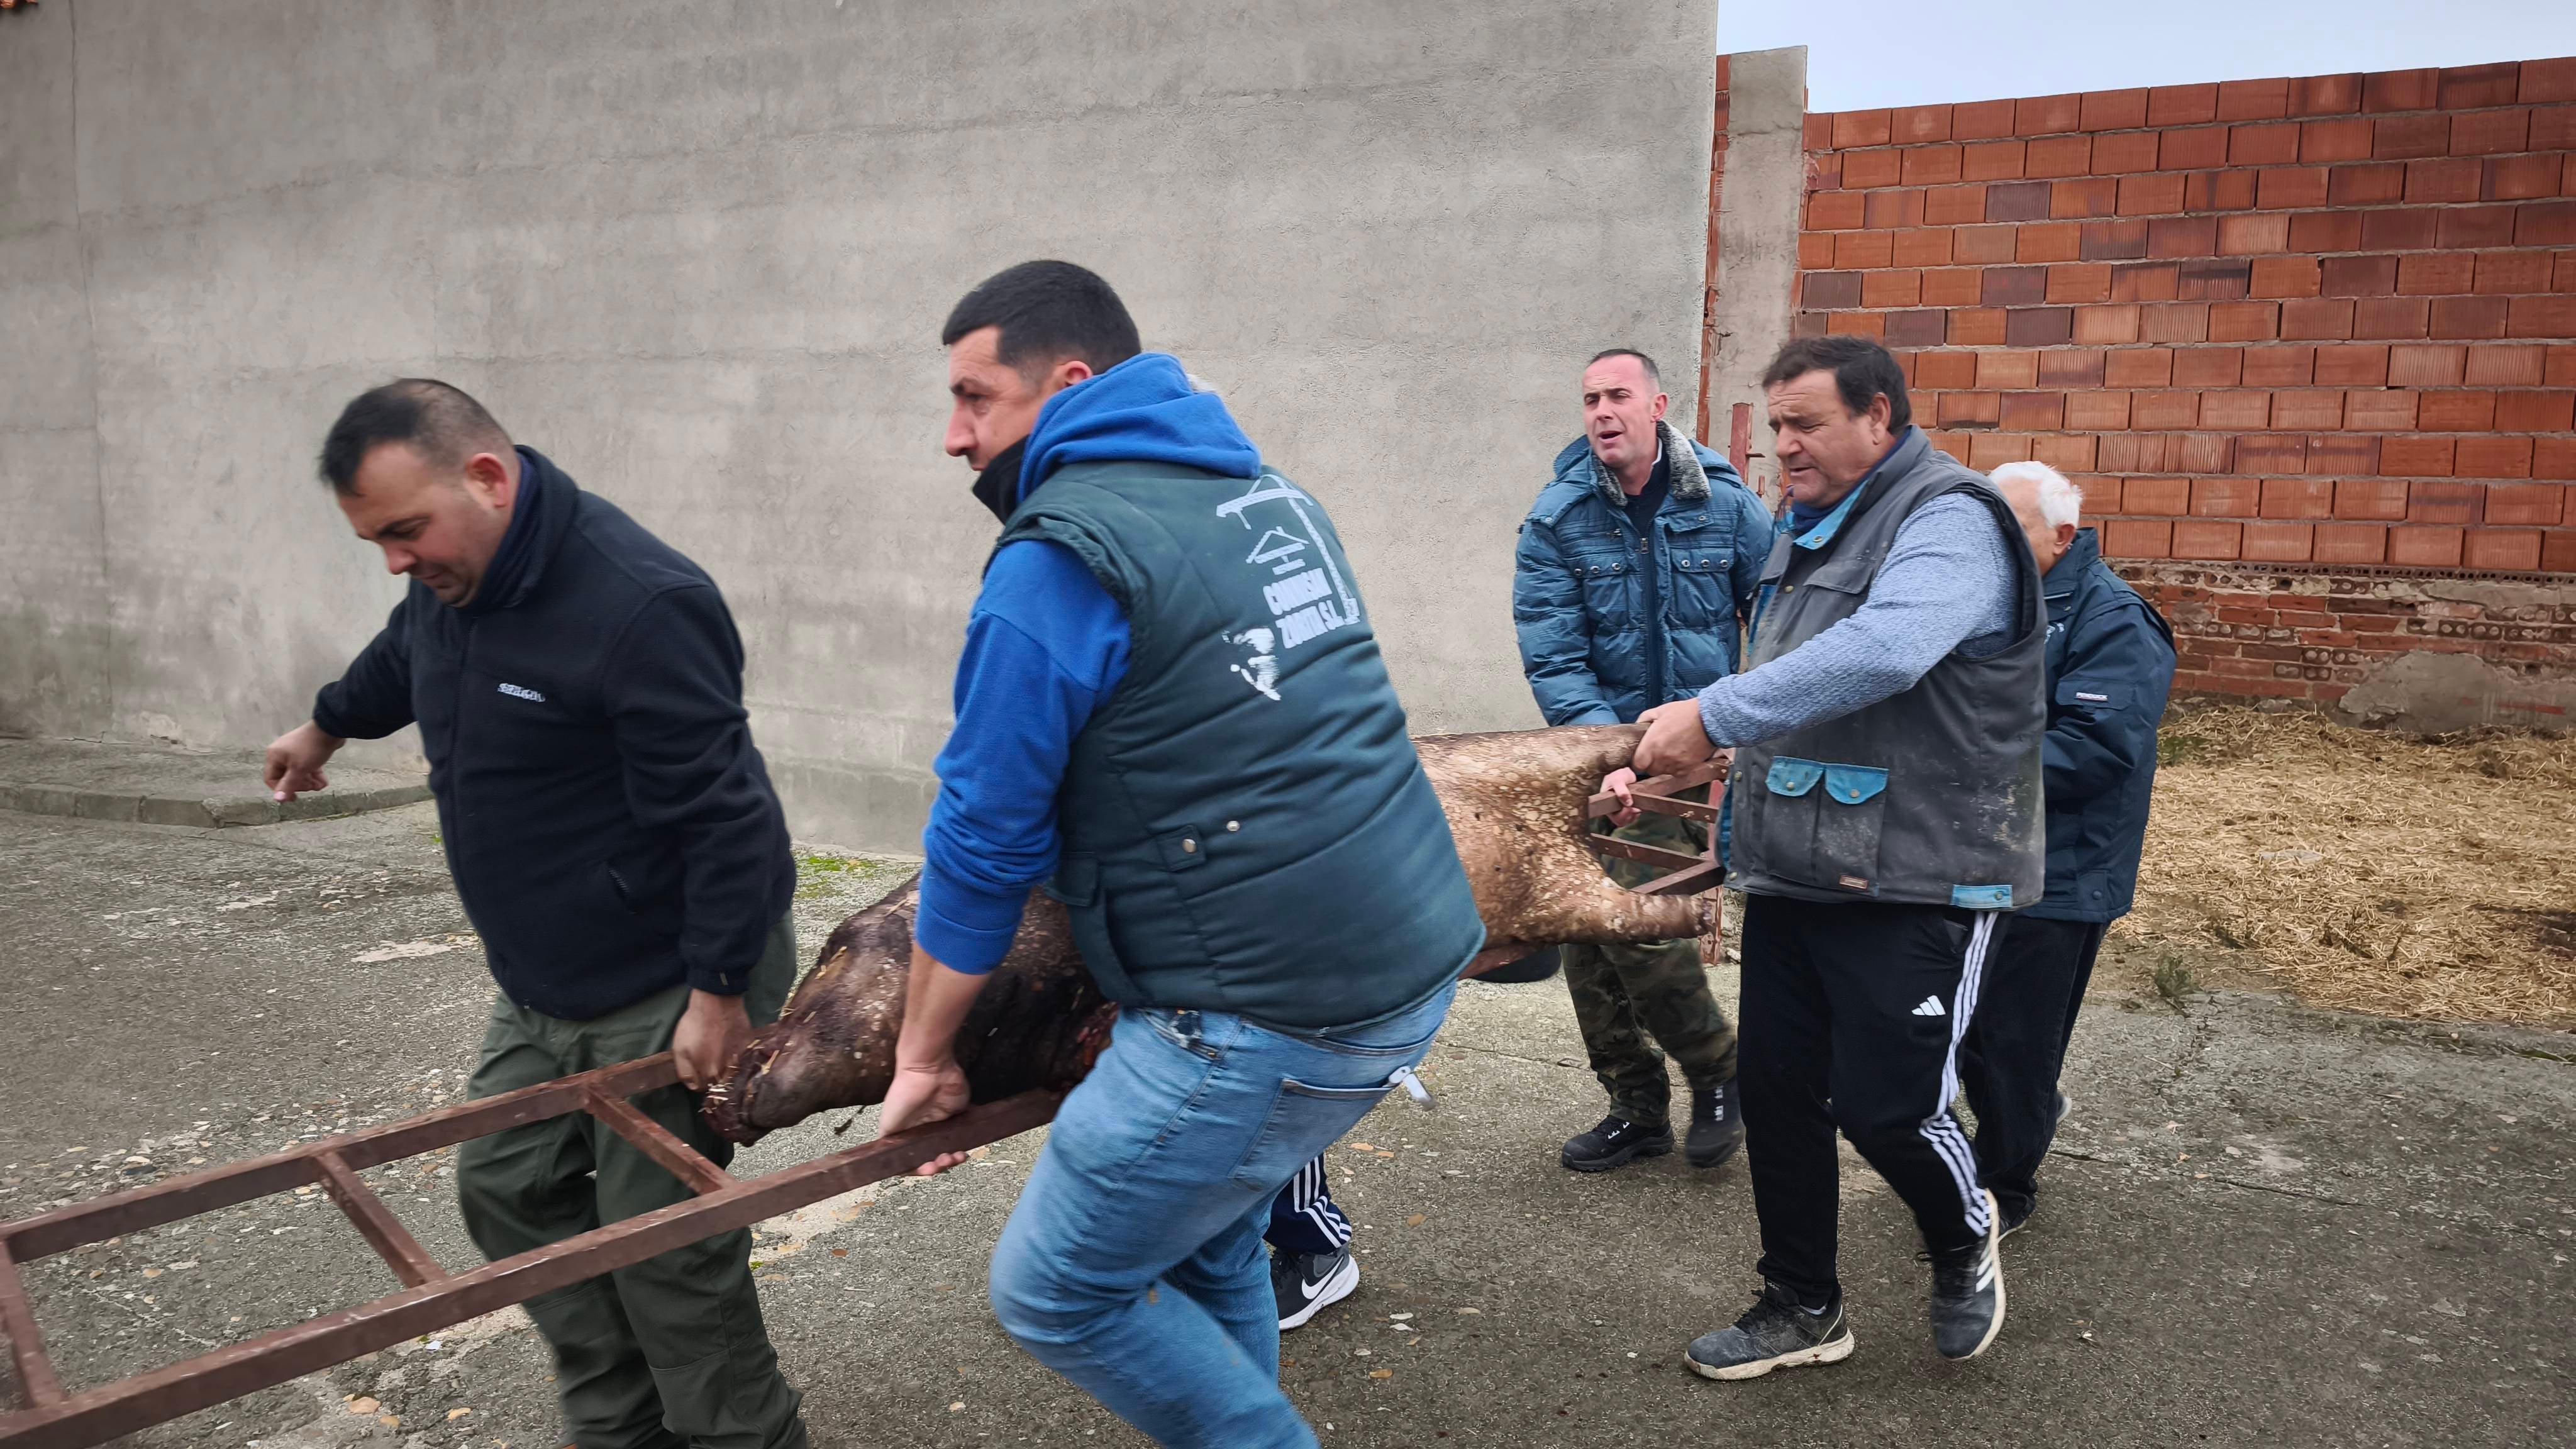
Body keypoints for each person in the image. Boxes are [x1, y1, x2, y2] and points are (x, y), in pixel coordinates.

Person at [876, 260, 1484, 1448]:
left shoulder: (1055, 559)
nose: (953, 437)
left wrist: (924, 1053)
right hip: (1408, 966)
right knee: (1208, 1236)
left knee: (1053, 1288)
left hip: (1262, 1016)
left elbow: (984, 834)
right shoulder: (1273, 500)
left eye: (974, 399)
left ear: (1070, 384)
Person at [265, 381, 808, 1448]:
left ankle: (743, 1434)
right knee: (509, 1189)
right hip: (543, 981)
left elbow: (730, 819)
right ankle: (621, 1422)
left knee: (662, 1237)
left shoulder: (639, 602)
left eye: (405, 531)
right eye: (376, 540)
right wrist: (327, 724)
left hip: (670, 973)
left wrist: (719, 993)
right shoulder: (454, 578)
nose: (395, 560)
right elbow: (402, 654)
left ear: (487, 476)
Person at [1629, 335, 2046, 1376]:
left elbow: (1888, 647)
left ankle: (1962, 1232)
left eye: (1805, 422)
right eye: (1775, 425)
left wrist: (1712, 715)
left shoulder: (1949, 519)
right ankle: (1801, 1301)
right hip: (1798, 861)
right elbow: (1792, 678)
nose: (1783, 447)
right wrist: (1686, 763)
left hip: (1920, 869)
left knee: (1886, 1103)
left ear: (1881, 416)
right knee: (1778, 1093)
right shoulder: (1810, 525)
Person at [1513, 348, 1774, 1173]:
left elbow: (1773, 618)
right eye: (1589, 398)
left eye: (1618, 395)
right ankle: (1637, 1106)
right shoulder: (1558, 520)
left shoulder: (1727, 510)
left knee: (1636, 929)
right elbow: (1555, 658)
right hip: (1597, 756)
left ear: (1658, 405)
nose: (1602, 411)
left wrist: (1733, 722)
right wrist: (1609, 749)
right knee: (1582, 937)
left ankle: (1716, 1067)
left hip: (1695, 755)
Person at [1960, 462, 2175, 1237]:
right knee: (1965, 1026)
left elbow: (2094, 748)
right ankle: (2023, 1116)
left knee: (2015, 1034)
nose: (1990, 543)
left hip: (2063, 868)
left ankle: (2006, 1184)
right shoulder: (1990, 600)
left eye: (2007, 526)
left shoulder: (2112, 617)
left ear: (2063, 535)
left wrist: (1959, 773)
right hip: (1977, 856)